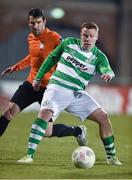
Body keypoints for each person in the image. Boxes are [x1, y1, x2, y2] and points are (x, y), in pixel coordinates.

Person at [17, 21, 122, 165]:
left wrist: (108, 74)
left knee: (103, 117)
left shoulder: (99, 57)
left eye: (91, 36)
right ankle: (29, 155)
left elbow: (106, 69)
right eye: (85, 35)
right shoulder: (68, 43)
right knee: (44, 114)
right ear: (81, 35)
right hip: (57, 88)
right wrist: (38, 77)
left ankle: (111, 158)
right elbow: (52, 58)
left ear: (96, 37)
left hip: (77, 94)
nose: (88, 39)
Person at [0, 8, 87, 146]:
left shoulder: (54, 38)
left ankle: (76, 131)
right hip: (31, 84)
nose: (35, 26)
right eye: (32, 23)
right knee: (8, 112)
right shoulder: (30, 37)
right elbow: (33, 57)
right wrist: (16, 67)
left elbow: (68, 56)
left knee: (47, 132)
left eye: (38, 22)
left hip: (49, 89)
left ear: (44, 21)